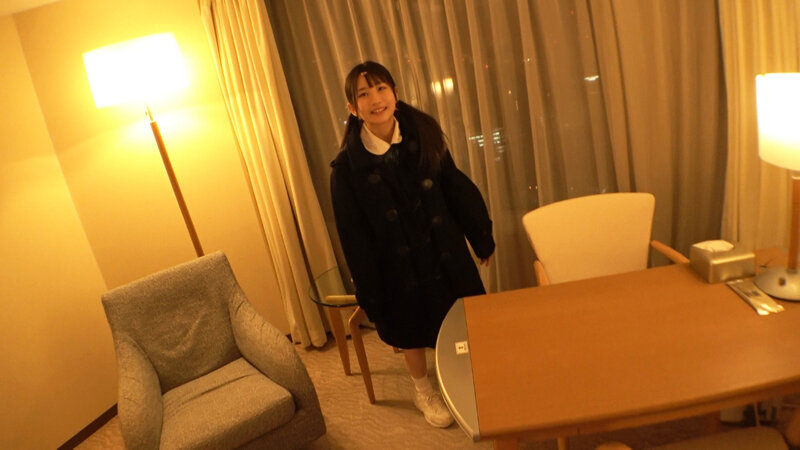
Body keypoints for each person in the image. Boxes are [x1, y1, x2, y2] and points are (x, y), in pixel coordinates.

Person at [330, 61, 495, 428]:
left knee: (463, 318)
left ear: (395, 92)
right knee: (411, 328)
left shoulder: (424, 134)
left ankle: (468, 376)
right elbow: (353, 236)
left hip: (444, 248)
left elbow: (454, 186)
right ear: (353, 108)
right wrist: (369, 291)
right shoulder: (346, 169)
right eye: (364, 94)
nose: (376, 99)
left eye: (381, 88)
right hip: (395, 264)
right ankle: (423, 390)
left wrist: (480, 236)